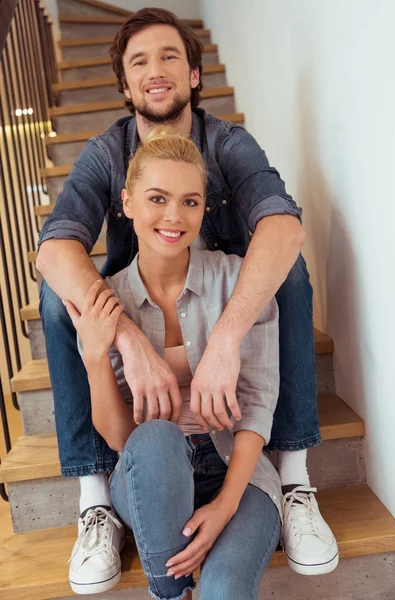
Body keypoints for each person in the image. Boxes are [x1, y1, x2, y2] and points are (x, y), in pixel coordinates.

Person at [36, 7, 338, 595]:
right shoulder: (107, 152)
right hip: (144, 291)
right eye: (139, 62)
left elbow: (282, 228)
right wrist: (120, 339)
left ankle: (296, 477)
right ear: (124, 86)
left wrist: (227, 336)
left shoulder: (227, 142)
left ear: (196, 75)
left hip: (228, 295)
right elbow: (54, 250)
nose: (156, 70)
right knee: (60, 300)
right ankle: (94, 494)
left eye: (170, 56)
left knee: (290, 274)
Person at [64, 126, 283, 600]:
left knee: (224, 589)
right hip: (151, 476)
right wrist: (98, 356)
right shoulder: (108, 302)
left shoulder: (239, 284)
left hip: (238, 473)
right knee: (157, 436)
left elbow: (259, 407)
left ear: (205, 209)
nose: (174, 215)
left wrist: (224, 507)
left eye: (190, 201)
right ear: (126, 202)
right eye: (157, 198)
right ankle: (169, 591)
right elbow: (124, 439)